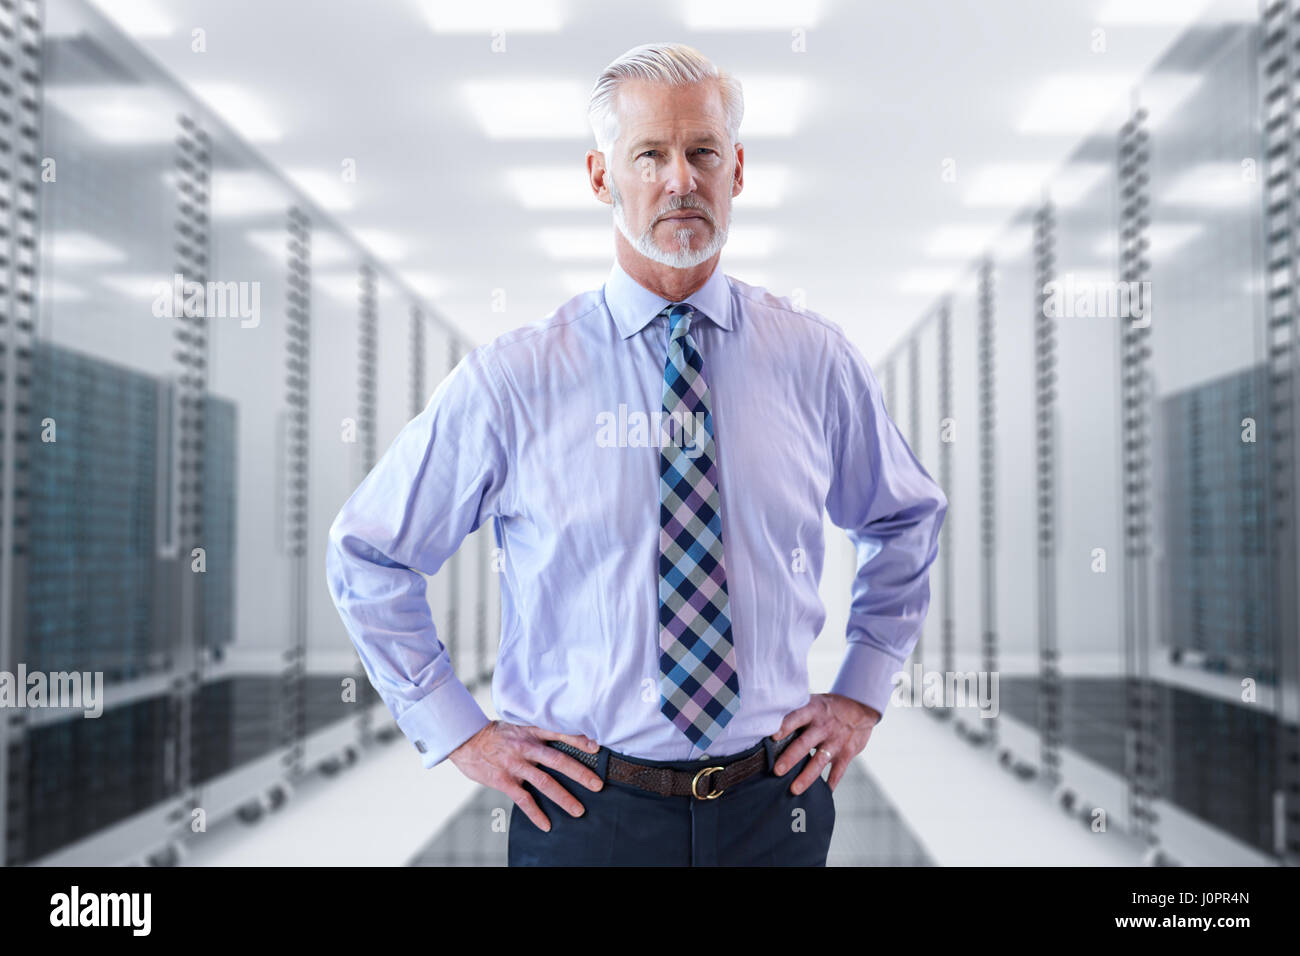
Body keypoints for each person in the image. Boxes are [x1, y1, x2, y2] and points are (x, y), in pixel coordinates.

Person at [325, 41, 947, 866]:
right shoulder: (513, 382)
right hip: (584, 815)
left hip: (774, 810)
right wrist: (459, 731)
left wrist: (861, 695)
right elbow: (369, 554)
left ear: (737, 172)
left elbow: (905, 517)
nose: (680, 179)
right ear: (600, 177)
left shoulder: (815, 362)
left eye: (703, 153)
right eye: (649, 154)